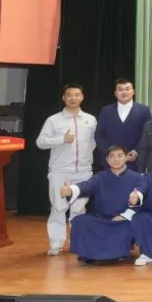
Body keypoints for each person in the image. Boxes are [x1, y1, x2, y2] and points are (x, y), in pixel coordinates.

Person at [37, 84, 97, 256]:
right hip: (60, 171)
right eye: (69, 95)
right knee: (58, 207)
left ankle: (76, 242)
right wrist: (61, 139)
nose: (73, 98)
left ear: (82, 97)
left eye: (77, 94)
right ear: (64, 98)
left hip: (84, 171)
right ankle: (56, 244)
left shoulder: (91, 120)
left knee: (79, 209)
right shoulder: (54, 120)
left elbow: (93, 143)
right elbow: (40, 142)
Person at [63, 146, 143, 263]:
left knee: (131, 224)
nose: (116, 159)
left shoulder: (137, 178)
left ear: (126, 157)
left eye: (120, 156)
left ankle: (117, 253)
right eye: (112, 156)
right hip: (101, 219)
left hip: (123, 220)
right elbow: (85, 186)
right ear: (107, 160)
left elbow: (142, 200)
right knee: (80, 221)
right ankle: (90, 254)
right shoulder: (100, 177)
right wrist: (70, 190)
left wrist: (125, 216)